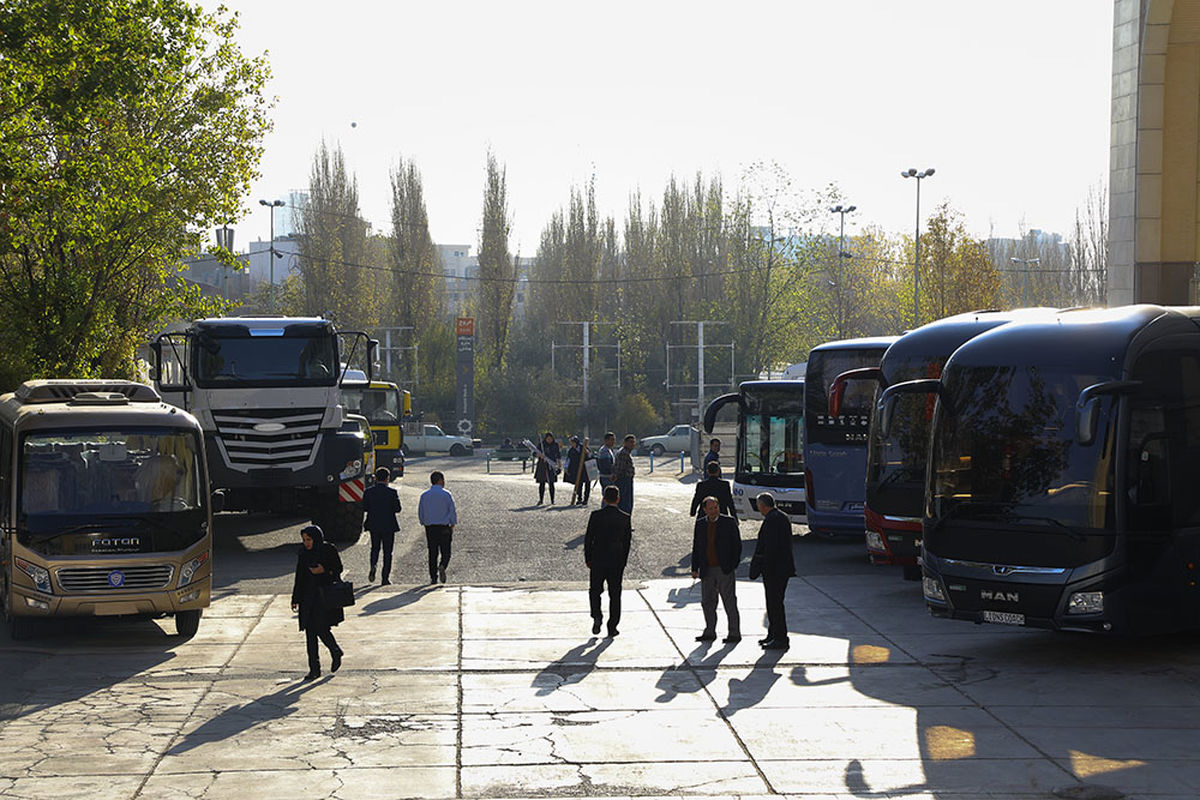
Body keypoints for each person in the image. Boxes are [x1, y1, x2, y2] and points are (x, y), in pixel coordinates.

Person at [290, 524, 345, 680]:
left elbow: (338, 569)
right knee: (310, 634)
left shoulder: (328, 550)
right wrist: (295, 598)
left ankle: (335, 650)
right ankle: (314, 669)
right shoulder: (303, 553)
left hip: (323, 597)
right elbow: (299, 577)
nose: (306, 543)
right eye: (304, 540)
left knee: (321, 628)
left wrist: (324, 570)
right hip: (307, 598)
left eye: (309, 539)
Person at [748, 493, 796, 651]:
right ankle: (773, 633)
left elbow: (770, 547)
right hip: (781, 569)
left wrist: (761, 565)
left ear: (763, 505)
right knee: (773, 603)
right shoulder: (781, 517)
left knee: (775, 604)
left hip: (775, 570)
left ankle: (780, 638)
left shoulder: (772, 520)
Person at [691, 496, 742, 643]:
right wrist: (695, 568)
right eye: (710, 508)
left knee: (729, 602)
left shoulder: (728, 522)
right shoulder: (700, 524)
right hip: (707, 569)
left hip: (724, 569)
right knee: (707, 602)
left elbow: (737, 546)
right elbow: (697, 547)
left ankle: (734, 633)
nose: (714, 511)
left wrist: (732, 565)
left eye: (716, 507)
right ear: (705, 510)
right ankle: (709, 631)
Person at [584, 484, 632, 637]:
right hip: (616, 559)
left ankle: (597, 616)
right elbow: (627, 543)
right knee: (615, 594)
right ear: (618, 499)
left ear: (604, 499)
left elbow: (588, 539)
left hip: (598, 558)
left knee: (595, 591)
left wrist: (588, 557)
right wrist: (623, 561)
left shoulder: (596, 516)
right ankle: (612, 626)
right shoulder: (625, 518)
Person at [362, 466, 401, 584]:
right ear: (387, 478)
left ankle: (373, 565)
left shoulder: (368, 492)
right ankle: (385, 578)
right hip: (389, 525)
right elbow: (397, 509)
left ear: (375, 478)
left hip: (374, 524)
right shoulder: (392, 492)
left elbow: (365, 508)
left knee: (375, 548)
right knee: (387, 552)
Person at [417, 470, 457, 584]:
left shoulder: (425, 495)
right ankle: (443, 565)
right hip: (444, 526)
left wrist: (423, 522)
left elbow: (421, 511)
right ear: (440, 481)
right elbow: (452, 511)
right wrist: (452, 523)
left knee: (432, 553)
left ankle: (433, 577)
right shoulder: (446, 494)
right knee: (446, 552)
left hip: (430, 527)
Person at [533, 432, 561, 505]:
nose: (549, 440)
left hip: (551, 465)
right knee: (542, 483)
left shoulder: (555, 445)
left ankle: (552, 500)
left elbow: (558, 455)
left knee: (551, 483)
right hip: (542, 465)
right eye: (548, 439)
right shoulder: (541, 444)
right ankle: (541, 499)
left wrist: (559, 464)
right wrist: (539, 455)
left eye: (550, 439)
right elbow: (534, 453)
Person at [611, 434, 637, 515]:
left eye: (633, 442)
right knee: (625, 504)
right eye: (630, 442)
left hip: (626, 480)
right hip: (623, 480)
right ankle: (624, 524)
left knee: (626, 503)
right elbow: (619, 468)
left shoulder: (626, 452)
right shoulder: (624, 453)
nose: (632, 444)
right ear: (625, 443)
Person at [565, 436, 591, 506]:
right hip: (577, 469)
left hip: (586, 469)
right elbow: (568, 460)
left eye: (573, 442)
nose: (572, 444)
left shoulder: (584, 447)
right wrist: (566, 467)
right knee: (579, 484)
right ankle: (579, 499)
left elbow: (591, 456)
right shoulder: (571, 451)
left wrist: (587, 453)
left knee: (587, 484)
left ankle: (586, 499)